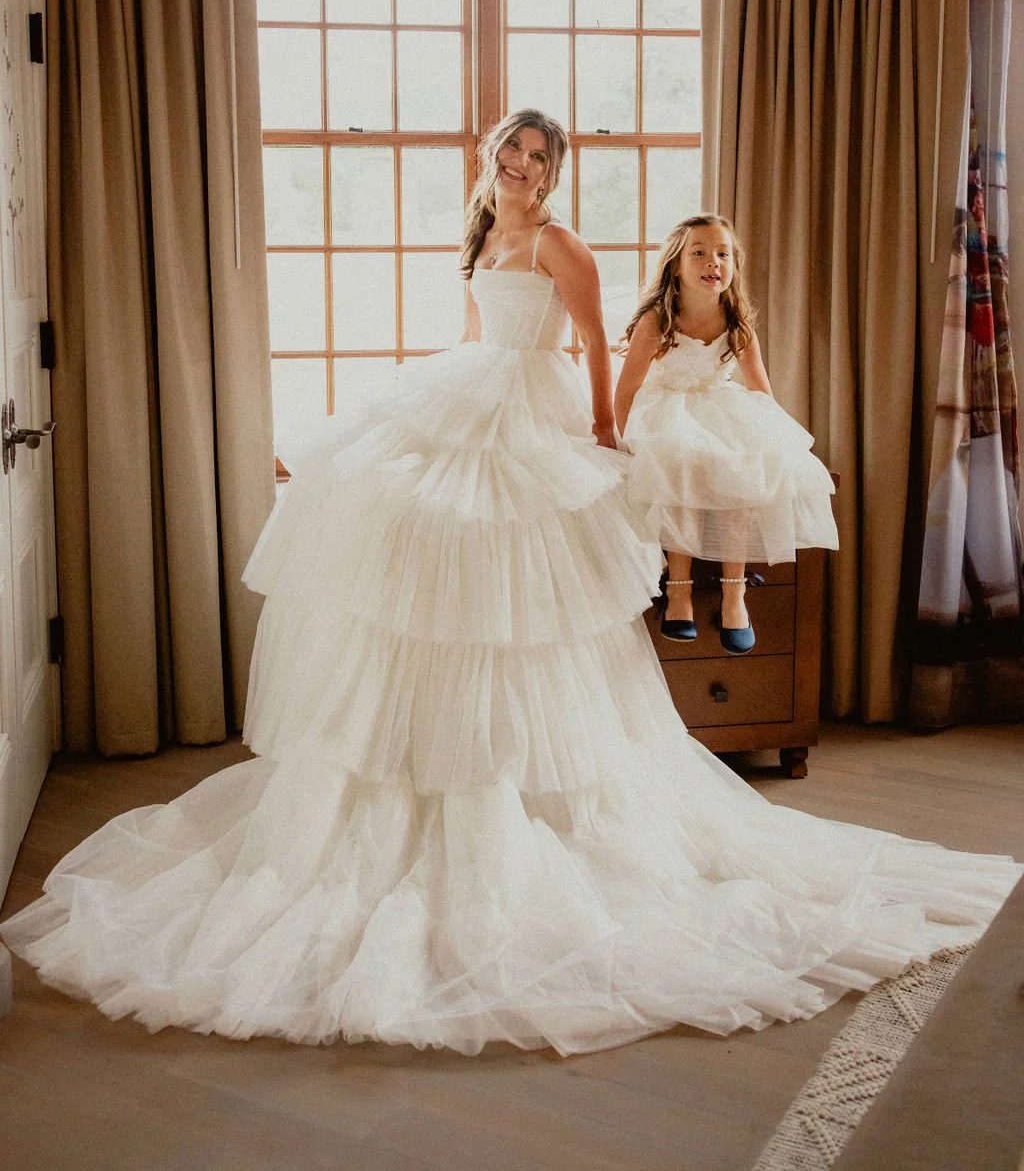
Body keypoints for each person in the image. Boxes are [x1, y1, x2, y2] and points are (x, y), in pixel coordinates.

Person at [0, 113, 1018, 1058]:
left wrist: (611, 438)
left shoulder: (561, 246)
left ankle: (512, 782)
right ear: (491, 158)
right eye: (509, 150)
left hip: (528, 418)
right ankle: (405, 767)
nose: (518, 166)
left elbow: (591, 346)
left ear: (554, 171)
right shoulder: (485, 232)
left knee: (509, 582)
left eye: (535, 156)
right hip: (466, 391)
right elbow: (494, 327)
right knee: (412, 548)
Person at [615, 215, 838, 652]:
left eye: (722, 254)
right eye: (698, 252)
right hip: (667, 409)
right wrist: (625, 447)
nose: (712, 262)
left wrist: (770, 441)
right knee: (680, 466)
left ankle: (734, 593)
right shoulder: (656, 321)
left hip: (720, 406)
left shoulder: (737, 324)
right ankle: (678, 591)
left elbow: (760, 391)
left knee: (739, 472)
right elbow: (625, 392)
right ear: (675, 265)